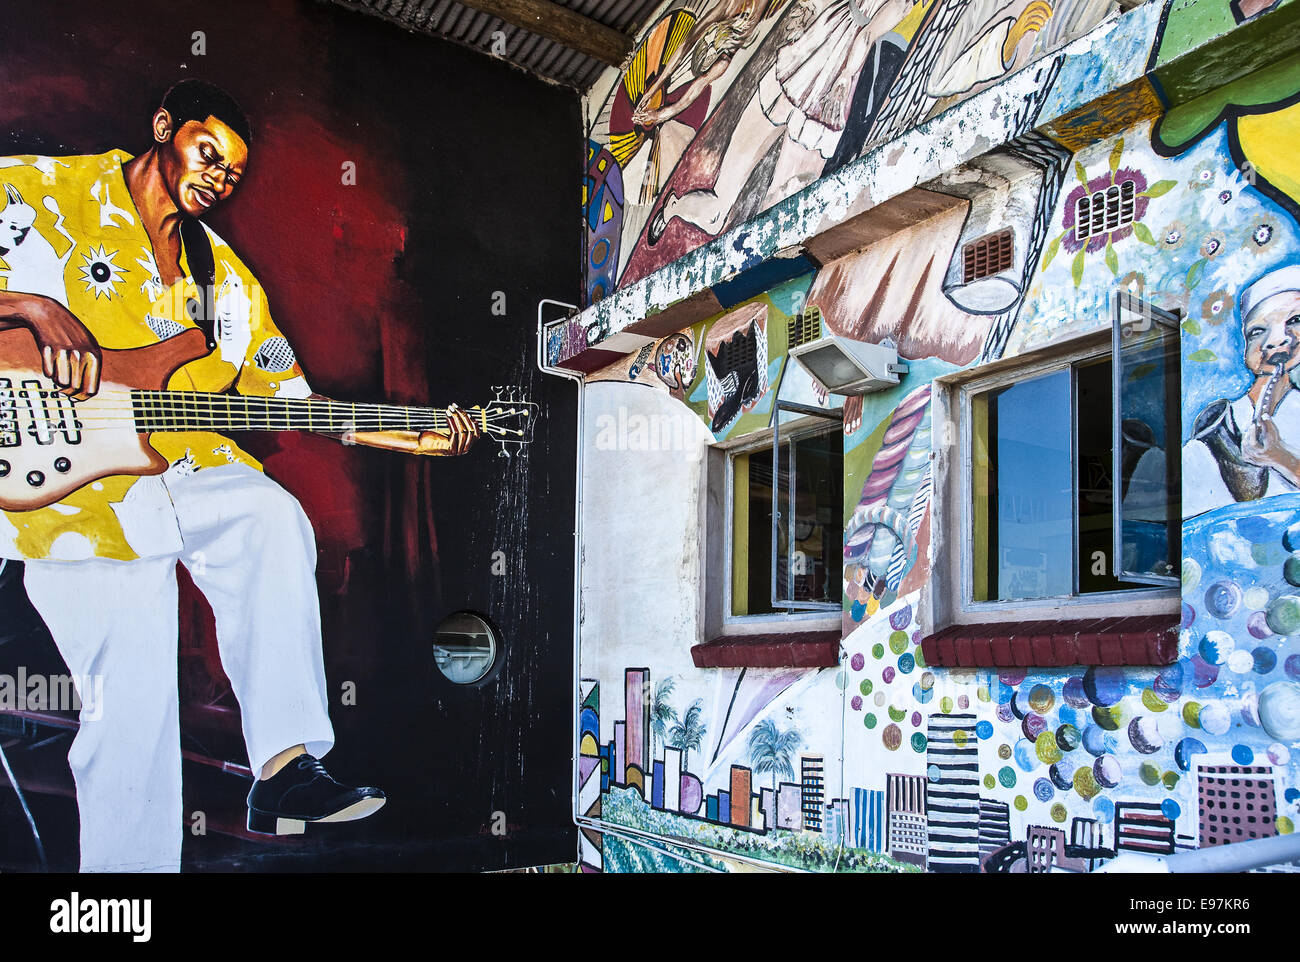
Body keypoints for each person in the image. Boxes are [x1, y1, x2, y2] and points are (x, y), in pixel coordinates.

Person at [0, 80, 481, 871]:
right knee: (134, 716)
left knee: (267, 516)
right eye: (208, 151)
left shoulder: (220, 277)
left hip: (173, 467)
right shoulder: (49, 188)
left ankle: (285, 767)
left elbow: (292, 400)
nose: (220, 177)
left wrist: (411, 438)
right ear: (163, 128)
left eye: (233, 171)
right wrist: (32, 309)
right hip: (70, 492)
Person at [1185, 263, 1300, 517]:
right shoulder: (1221, 421)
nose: (1276, 340)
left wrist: (1279, 457)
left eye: (1295, 321)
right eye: (1258, 331)